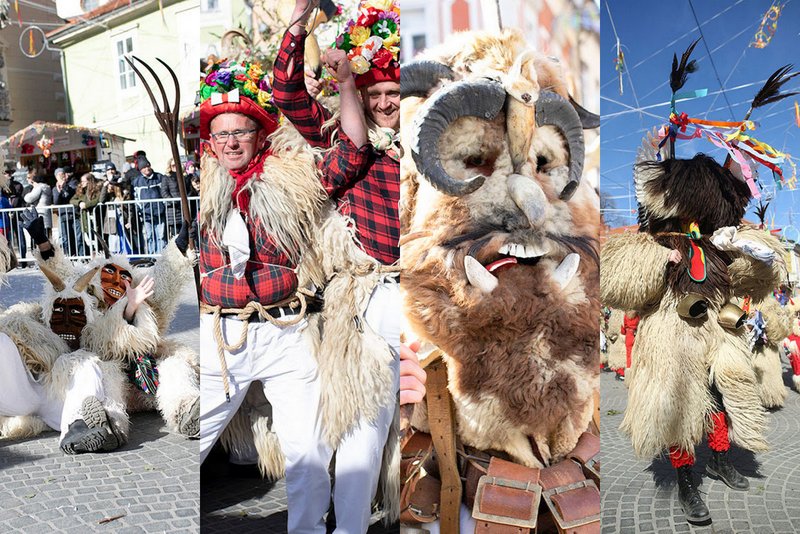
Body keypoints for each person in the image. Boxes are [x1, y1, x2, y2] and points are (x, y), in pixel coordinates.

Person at [273, 2, 401, 528]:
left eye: (395, 95)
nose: (388, 104)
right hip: (366, 300)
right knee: (361, 430)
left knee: (396, 425)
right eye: (378, 95)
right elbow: (286, 94)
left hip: (421, 291)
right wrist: (299, 26)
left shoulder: (423, 145)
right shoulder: (338, 135)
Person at [131, 156, 166, 254]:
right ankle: (152, 256)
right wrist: (140, 209)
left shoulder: (159, 177)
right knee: (149, 236)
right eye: (144, 167)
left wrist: (164, 206)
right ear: (140, 169)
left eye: (148, 166)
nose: (147, 169)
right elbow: (136, 197)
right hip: (146, 214)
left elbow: (164, 193)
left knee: (161, 235)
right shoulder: (137, 182)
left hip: (159, 212)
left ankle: (162, 256)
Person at [52, 167, 82, 256]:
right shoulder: (55, 189)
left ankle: (82, 257)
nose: (62, 177)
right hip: (63, 215)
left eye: (63, 174)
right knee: (65, 238)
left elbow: (72, 195)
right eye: (59, 175)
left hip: (74, 214)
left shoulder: (73, 184)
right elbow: (56, 202)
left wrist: (65, 186)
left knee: (78, 237)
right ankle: (69, 256)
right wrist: (59, 190)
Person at [70, 173, 103, 254]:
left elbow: (97, 200)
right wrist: (80, 202)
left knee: (98, 241)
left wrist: (86, 205)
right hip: (85, 219)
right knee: (89, 241)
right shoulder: (80, 190)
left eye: (84, 181)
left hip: (96, 219)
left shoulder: (97, 189)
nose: (82, 183)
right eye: (81, 181)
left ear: (89, 181)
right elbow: (72, 200)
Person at [23, 173, 52, 239]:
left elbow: (29, 198)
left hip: (40, 213)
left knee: (40, 236)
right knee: (47, 235)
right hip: (46, 213)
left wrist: (33, 189)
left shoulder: (39, 187)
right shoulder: (47, 187)